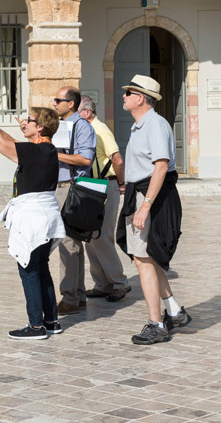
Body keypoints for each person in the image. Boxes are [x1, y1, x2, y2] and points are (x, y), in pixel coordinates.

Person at [0, 101, 66, 340]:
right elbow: (11, 143)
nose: (24, 122)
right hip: (45, 216)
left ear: (41, 128)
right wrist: (17, 127)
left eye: (29, 120)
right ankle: (51, 321)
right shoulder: (44, 150)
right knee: (41, 268)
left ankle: (36, 326)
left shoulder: (37, 151)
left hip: (33, 217)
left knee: (28, 269)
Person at [118, 75, 191, 345]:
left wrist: (145, 206)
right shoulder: (139, 126)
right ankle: (174, 311)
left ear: (140, 98)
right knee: (146, 257)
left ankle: (156, 323)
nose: (123, 96)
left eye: (128, 93)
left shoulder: (155, 124)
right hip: (141, 194)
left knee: (143, 259)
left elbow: (161, 166)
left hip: (150, 196)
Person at [76, 95, 131, 302]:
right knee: (90, 237)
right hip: (92, 186)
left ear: (87, 112)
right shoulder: (87, 131)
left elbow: (117, 159)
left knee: (104, 236)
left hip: (106, 184)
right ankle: (102, 283)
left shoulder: (100, 130)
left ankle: (120, 283)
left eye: (78, 112)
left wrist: (120, 181)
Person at [50, 87, 97, 314]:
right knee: (72, 244)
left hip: (70, 189)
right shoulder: (62, 126)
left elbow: (85, 158)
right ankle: (77, 295)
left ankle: (69, 297)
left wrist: (52, 154)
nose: (54, 103)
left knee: (67, 244)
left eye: (58, 100)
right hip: (61, 187)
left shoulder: (82, 127)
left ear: (71, 104)